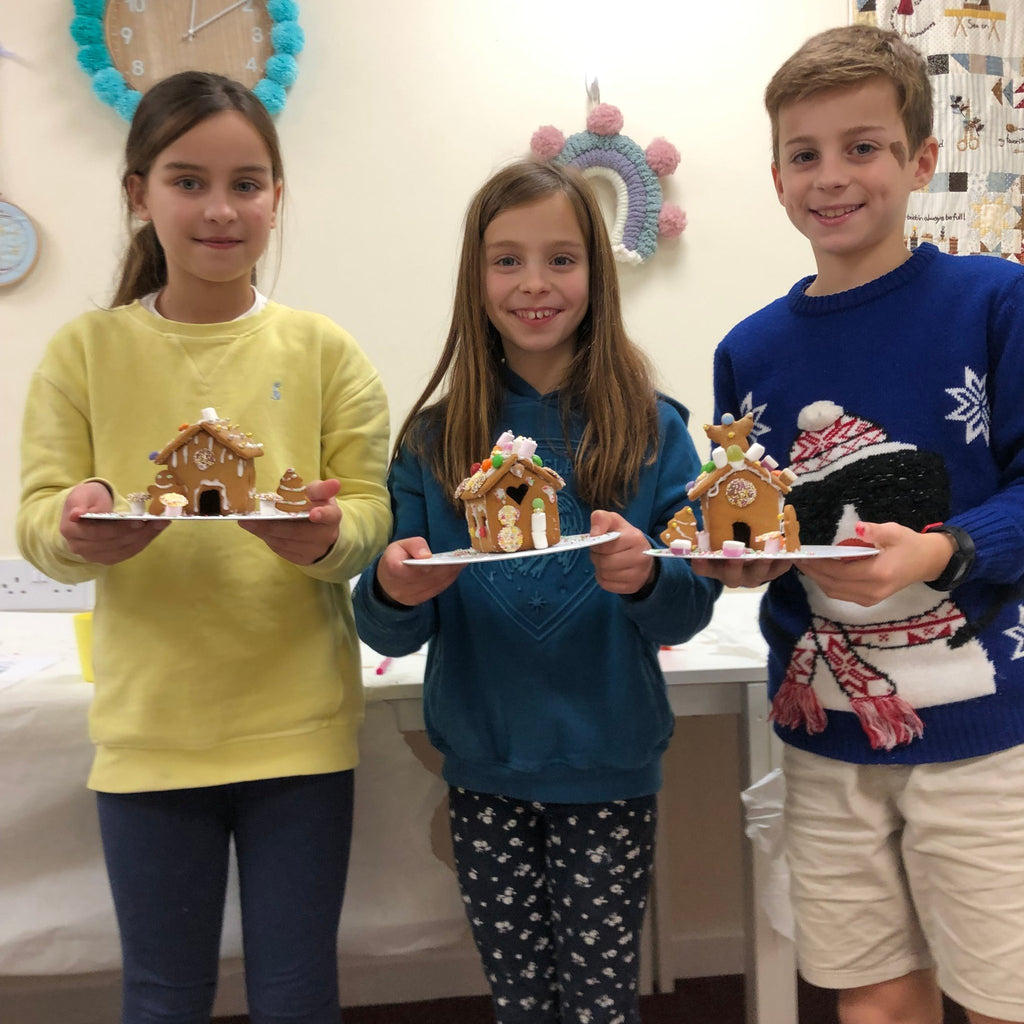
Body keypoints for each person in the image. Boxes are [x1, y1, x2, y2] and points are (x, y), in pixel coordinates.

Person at [17, 72, 391, 1024]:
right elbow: (39, 521)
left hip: (298, 728)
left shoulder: (324, 352)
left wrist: (321, 536)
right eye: (188, 181)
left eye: (247, 183)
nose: (221, 210)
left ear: (277, 196)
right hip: (150, 736)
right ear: (137, 194)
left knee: (299, 993)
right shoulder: (83, 353)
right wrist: (76, 526)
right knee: (164, 993)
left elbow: (367, 518)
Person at [694, 24, 1024, 1024]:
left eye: (862, 147)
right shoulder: (746, 352)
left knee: (1000, 995)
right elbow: (747, 521)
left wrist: (943, 549)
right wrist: (739, 569)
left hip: (983, 737)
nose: (830, 176)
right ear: (776, 173)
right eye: (805, 153)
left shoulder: (994, 301)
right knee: (872, 998)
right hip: (825, 743)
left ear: (920, 159)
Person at [352, 160, 719, 1023]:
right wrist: (396, 589)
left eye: (561, 258)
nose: (534, 284)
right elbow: (390, 630)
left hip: (609, 764)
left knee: (600, 1003)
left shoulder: (653, 426)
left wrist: (646, 578)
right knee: (521, 1002)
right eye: (506, 259)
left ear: (596, 272)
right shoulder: (433, 441)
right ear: (475, 280)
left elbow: (691, 602)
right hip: (483, 765)